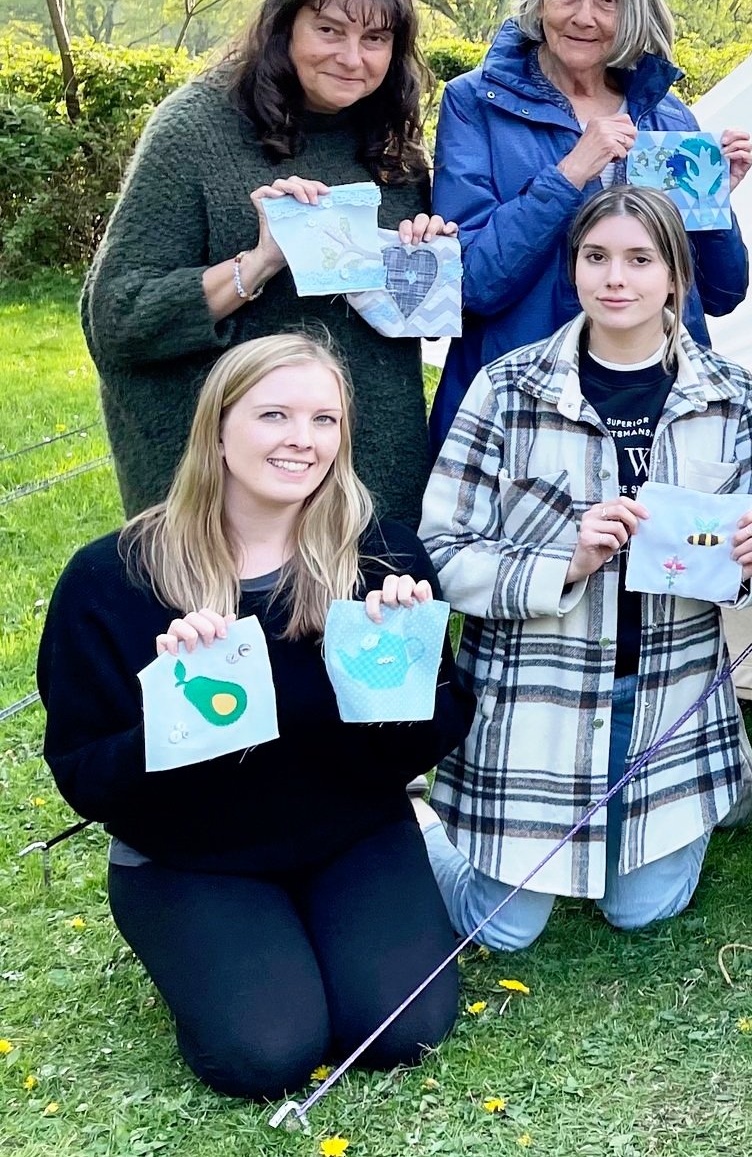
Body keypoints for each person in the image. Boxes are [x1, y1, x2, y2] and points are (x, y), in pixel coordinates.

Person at [38, 335, 470, 1098]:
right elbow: (83, 770)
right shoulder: (111, 580)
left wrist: (389, 680)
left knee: (401, 1029)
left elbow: (434, 733)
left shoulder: (382, 563)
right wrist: (176, 714)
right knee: (266, 1054)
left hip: (349, 834)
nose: (301, 440)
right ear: (218, 426)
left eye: (323, 420)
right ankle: (230, 944)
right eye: (274, 415)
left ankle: (338, 912)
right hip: (190, 855)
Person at [418, 184, 752, 949]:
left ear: (675, 275)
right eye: (597, 257)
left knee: (641, 911)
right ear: (572, 269)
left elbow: (740, 557)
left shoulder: (731, 393)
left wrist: (749, 561)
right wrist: (564, 561)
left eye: (641, 259)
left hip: (666, 699)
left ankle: (693, 796)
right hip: (539, 702)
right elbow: (445, 554)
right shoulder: (508, 389)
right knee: (501, 930)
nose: (617, 278)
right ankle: (424, 829)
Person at [83, 0, 456, 524]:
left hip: (371, 476)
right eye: (329, 30)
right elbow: (120, 316)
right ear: (283, 29)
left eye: (375, 39)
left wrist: (420, 257)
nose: (352, 58)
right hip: (230, 487)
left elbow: (406, 315)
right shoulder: (195, 131)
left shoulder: (392, 144)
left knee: (365, 610)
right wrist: (259, 262)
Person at [430, 0, 752, 448]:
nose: (584, 16)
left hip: (654, 404)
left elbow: (720, 293)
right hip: (520, 409)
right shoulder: (474, 104)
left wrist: (713, 207)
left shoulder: (667, 117)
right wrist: (570, 173)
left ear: (633, 13)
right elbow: (471, 285)